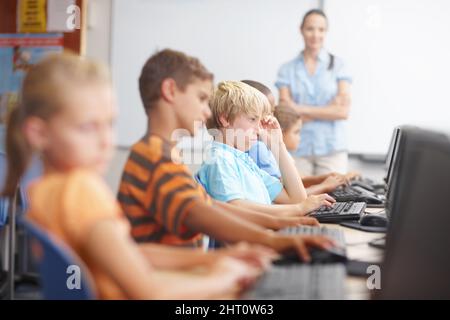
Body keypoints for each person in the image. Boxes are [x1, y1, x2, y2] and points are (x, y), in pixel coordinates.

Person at [1, 53, 270, 300]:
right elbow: (151, 293)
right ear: (39, 134)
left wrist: (213, 261)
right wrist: (226, 278)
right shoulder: (81, 191)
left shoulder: (44, 189)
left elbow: (129, 254)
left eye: (110, 124)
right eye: (87, 127)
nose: (106, 141)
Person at [118, 49, 335, 262]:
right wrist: (283, 224)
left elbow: (211, 207)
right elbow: (219, 211)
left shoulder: (167, 156)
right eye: (202, 98)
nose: (206, 111)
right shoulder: (156, 159)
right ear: (170, 90)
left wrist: (285, 220)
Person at [197, 80, 336, 216]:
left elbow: (297, 198)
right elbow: (235, 207)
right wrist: (299, 209)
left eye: (260, 121)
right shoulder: (220, 159)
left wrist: (278, 145)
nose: (258, 129)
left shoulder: (244, 161)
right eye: (252, 119)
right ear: (225, 119)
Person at [276, 9, 352, 176]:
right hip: (298, 149)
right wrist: (327, 110)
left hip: (332, 149)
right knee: (301, 197)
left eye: (321, 29)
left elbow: (342, 112)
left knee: (336, 199)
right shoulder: (286, 70)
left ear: (326, 32)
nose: (315, 34)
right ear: (301, 30)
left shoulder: (339, 66)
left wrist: (298, 108)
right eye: (310, 28)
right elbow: (285, 114)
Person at [274, 104, 349, 195]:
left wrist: (322, 179)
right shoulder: (273, 160)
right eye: (296, 132)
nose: (299, 138)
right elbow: (296, 196)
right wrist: (324, 186)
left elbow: (297, 182)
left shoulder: (285, 155)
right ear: (280, 132)